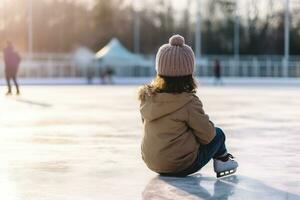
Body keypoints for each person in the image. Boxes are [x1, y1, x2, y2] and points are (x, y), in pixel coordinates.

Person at [138, 35, 238, 178]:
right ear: (189, 73)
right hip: (180, 165)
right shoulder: (188, 102)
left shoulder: (147, 98)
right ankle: (223, 161)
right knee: (219, 134)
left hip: (152, 162)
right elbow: (208, 136)